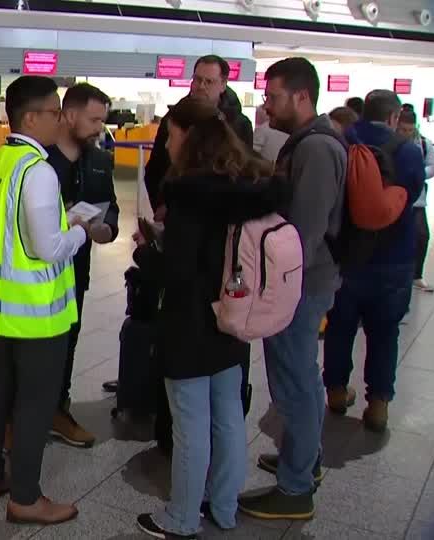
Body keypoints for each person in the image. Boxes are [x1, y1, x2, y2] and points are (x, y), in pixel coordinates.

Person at [135, 96, 288, 540]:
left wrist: (146, 254)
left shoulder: (189, 195)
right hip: (233, 319)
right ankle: (223, 507)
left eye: (171, 134)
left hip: (190, 325)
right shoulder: (249, 188)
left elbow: (179, 272)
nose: (167, 143)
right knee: (228, 419)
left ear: (189, 136)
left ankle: (182, 518)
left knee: (190, 426)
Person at [0, 75, 87, 525]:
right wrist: (79, 231)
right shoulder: (38, 171)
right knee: (35, 403)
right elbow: (47, 247)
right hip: (36, 312)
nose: (61, 120)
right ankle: (25, 497)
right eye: (55, 112)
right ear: (32, 118)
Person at [237, 57, 347, 521]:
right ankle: (304, 460)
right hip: (303, 280)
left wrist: (273, 285)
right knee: (299, 376)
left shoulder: (316, 149)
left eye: (275, 96)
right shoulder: (306, 143)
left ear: (302, 96)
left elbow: (304, 231)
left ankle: (296, 487)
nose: (267, 105)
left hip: (300, 284)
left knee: (295, 381)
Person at [322, 91, 425, 433]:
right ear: (394, 117)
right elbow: (411, 195)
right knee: (384, 333)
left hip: (348, 254)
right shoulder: (408, 150)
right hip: (393, 257)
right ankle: (378, 404)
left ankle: (336, 392)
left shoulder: (343, 141)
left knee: (340, 327)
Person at [44, 82, 119, 448]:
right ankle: (22, 417)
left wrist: (105, 230)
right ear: (70, 115)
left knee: (68, 343)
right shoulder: (39, 162)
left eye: (102, 121)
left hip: (76, 271)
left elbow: (110, 209)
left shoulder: (100, 162)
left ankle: (58, 410)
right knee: (34, 349)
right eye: (93, 120)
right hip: (37, 275)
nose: (99, 128)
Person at [144, 55, 254, 217]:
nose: (201, 86)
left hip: (221, 212)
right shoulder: (174, 118)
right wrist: (160, 204)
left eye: (209, 81)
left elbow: (245, 172)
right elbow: (155, 168)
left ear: (223, 84)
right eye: (197, 79)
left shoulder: (239, 125)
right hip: (177, 210)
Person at [396, 110, 434, 292]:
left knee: (421, 235)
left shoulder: (423, 143)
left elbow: (433, 166)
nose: (406, 133)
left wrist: (419, 174)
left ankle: (416, 275)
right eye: (403, 129)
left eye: (409, 130)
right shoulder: (391, 143)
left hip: (417, 200)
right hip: (395, 198)